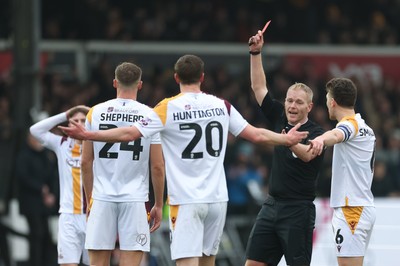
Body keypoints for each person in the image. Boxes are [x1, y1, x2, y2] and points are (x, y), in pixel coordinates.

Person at [59, 54, 308, 266]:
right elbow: (256, 134)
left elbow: (129, 133)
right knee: (208, 261)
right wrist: (286, 139)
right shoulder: (222, 105)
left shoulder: (167, 107)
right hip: (217, 199)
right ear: (202, 77)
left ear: (176, 78)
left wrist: (88, 134)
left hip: (186, 200)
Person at [245, 30, 326, 266]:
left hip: (298, 211)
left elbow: (309, 155)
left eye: (298, 102)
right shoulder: (280, 117)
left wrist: (289, 141)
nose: (291, 105)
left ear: (309, 106)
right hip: (271, 206)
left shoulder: (319, 133)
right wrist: (255, 53)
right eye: (289, 100)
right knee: (253, 264)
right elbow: (259, 88)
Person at [80, 62, 165, 266]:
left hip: (102, 196)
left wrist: (91, 198)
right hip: (135, 198)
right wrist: (159, 204)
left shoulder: (95, 112)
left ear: (115, 83)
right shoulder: (150, 115)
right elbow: (157, 166)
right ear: (140, 85)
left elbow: (85, 162)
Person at [308, 77, 376, 266]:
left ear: (332, 102)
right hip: (361, 205)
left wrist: (321, 140)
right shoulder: (365, 127)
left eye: (327, 99)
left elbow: (337, 134)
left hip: (351, 209)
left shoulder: (350, 125)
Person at [30, 105, 91, 266]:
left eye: (83, 121)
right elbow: (35, 130)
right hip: (68, 216)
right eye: (75, 121)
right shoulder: (61, 144)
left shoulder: (100, 145)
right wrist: (65, 115)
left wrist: (96, 113)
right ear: (68, 126)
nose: (79, 124)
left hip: (93, 216)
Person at [15, 132, 58, 266]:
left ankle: (47, 262)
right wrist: (40, 188)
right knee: (37, 234)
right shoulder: (23, 155)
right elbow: (23, 177)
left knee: (46, 235)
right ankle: (36, 262)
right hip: (31, 203)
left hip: (44, 204)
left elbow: (53, 175)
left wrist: (51, 194)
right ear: (29, 139)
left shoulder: (46, 155)